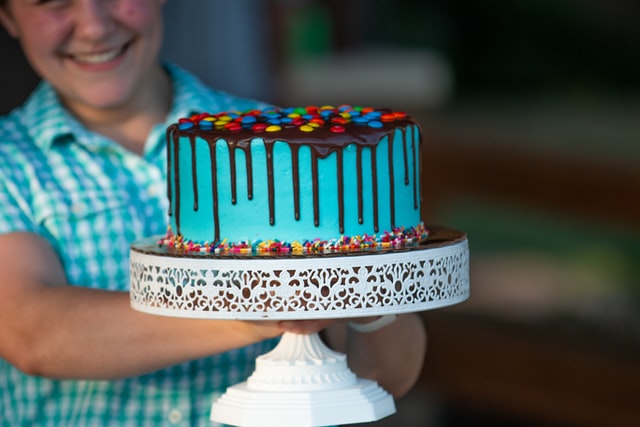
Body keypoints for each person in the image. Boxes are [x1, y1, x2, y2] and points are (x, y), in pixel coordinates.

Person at [0, 0, 427, 425]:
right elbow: (34, 333)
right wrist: (266, 306)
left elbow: (380, 378)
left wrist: (370, 294)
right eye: (53, 2)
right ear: (8, 17)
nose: (93, 27)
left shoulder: (286, 144)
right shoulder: (10, 163)